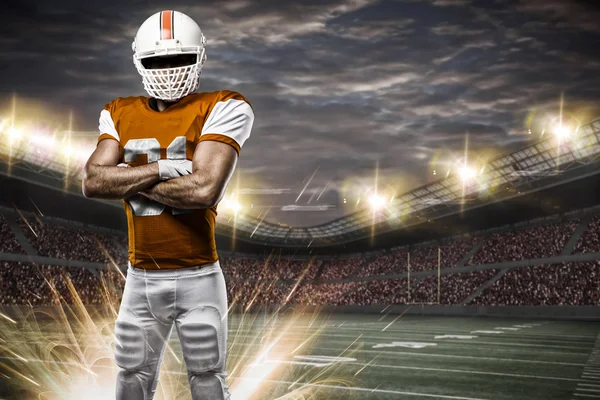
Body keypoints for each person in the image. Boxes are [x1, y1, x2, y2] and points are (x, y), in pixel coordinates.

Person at [82, 9, 254, 400]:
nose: (170, 68)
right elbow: (93, 181)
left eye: (181, 58)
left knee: (208, 379)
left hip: (199, 277)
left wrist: (127, 178)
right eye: (159, 60)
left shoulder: (224, 104)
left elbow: (204, 190)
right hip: (140, 276)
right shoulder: (118, 111)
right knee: (130, 378)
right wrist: (162, 169)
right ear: (140, 62)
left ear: (200, 58)